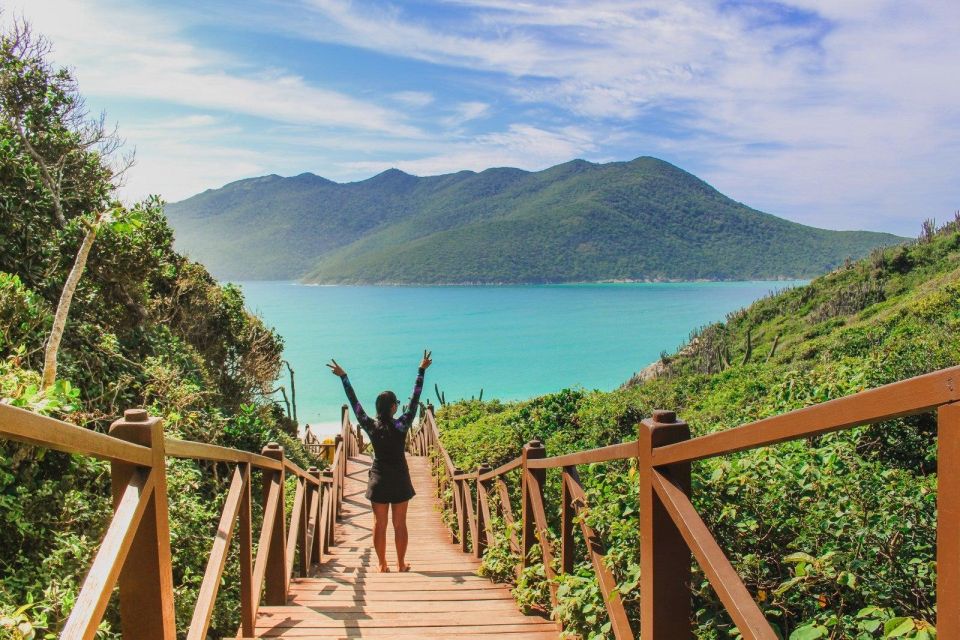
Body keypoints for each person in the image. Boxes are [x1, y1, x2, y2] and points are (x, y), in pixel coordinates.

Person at [326, 350, 432, 573]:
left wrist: (344, 377)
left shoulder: (370, 426)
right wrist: (421, 370)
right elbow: (415, 399)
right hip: (400, 478)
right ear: (394, 407)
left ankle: (383, 565)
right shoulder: (402, 424)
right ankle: (401, 564)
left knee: (379, 524)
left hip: (379, 478)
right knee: (400, 524)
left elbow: (354, 404)